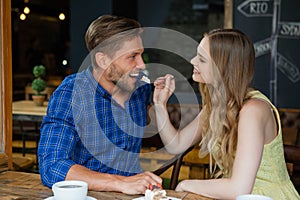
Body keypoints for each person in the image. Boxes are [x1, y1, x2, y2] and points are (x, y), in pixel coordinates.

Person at [153, 29, 300, 199]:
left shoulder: (253, 110)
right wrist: (159, 104)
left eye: (201, 59)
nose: (193, 61)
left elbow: (239, 188)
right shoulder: (217, 107)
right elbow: (176, 145)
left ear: (223, 67)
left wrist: (185, 184)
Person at [38, 14, 162, 195]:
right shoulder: (72, 93)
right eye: (132, 56)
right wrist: (121, 183)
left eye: (141, 55)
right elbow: (52, 166)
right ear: (103, 60)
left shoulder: (140, 89)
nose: (142, 64)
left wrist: (160, 103)